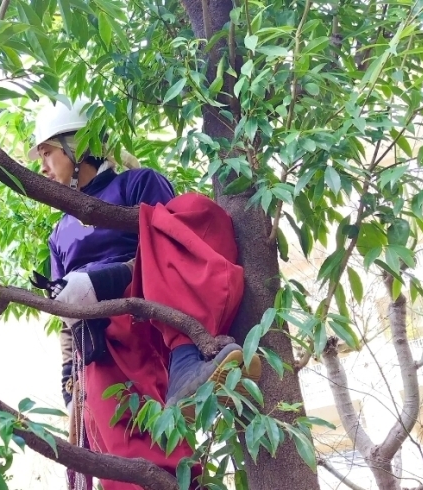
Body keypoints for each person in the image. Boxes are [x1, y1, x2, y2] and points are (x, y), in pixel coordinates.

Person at [26, 98, 262, 490]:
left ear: (76, 145)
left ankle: (190, 357)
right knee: (120, 465)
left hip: (151, 322)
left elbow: (180, 246)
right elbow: (63, 317)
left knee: (193, 208)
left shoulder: (136, 183)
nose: (42, 165)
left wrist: (112, 279)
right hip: (96, 345)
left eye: (47, 152)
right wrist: (69, 380)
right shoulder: (58, 233)